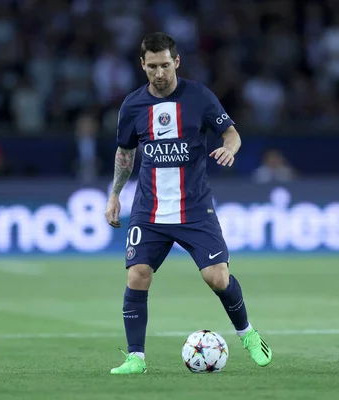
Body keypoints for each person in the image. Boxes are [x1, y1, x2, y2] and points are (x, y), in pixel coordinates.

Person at [105, 32, 272, 375]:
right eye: (152, 66)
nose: (159, 73)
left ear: (176, 61)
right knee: (137, 276)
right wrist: (115, 193)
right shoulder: (133, 106)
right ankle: (135, 357)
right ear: (142, 65)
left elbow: (231, 133)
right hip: (148, 211)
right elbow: (126, 153)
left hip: (193, 208)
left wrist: (230, 148)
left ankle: (248, 334)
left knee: (217, 277)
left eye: (165, 65)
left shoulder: (199, 97)